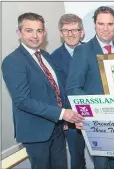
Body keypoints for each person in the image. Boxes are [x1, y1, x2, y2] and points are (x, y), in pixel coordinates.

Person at [2, 12, 84, 169]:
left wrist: (71, 117)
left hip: (57, 129)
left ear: (44, 33)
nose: (35, 36)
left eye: (39, 31)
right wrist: (62, 113)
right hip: (36, 134)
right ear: (19, 33)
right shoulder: (13, 61)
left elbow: (58, 91)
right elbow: (23, 100)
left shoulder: (46, 56)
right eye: (29, 30)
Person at [66, 6, 114, 169]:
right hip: (96, 123)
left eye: (110, 24)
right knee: (102, 165)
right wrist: (90, 111)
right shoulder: (83, 51)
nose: (106, 28)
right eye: (101, 24)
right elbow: (73, 88)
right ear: (94, 25)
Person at [50, 14, 86, 169]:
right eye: (66, 30)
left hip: (96, 113)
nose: (71, 34)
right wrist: (63, 117)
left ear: (82, 32)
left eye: (75, 30)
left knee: (102, 158)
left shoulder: (93, 51)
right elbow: (55, 91)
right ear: (60, 33)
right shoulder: (52, 58)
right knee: (77, 159)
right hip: (70, 118)